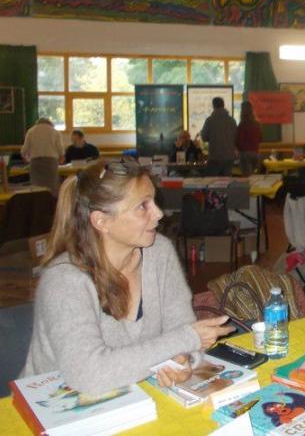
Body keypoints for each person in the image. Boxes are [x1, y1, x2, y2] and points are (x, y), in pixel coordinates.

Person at [21, 160, 233, 396]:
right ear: (101, 221)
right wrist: (186, 340)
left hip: (131, 397)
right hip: (51, 411)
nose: (159, 214)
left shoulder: (159, 251)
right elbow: (88, 374)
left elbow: (180, 327)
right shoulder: (63, 281)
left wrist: (182, 361)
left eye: (153, 201)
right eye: (143, 206)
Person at [21, 117, 64, 195]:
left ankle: (38, 205)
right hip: (51, 162)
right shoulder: (54, 132)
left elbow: (24, 150)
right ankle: (52, 205)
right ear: (50, 123)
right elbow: (60, 149)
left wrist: (26, 158)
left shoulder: (31, 131)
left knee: (36, 187)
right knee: (52, 186)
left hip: (35, 162)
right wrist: (61, 158)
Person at [201, 97, 237, 176]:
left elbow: (204, 137)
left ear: (213, 106)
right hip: (229, 156)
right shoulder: (232, 120)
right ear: (223, 105)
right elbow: (236, 137)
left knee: (212, 181)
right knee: (227, 182)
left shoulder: (210, 120)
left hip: (215, 156)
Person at [236, 101, 262, 176]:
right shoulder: (257, 124)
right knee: (253, 177)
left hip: (245, 154)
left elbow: (239, 141)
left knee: (247, 179)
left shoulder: (242, 124)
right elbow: (260, 138)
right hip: (255, 153)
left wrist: (239, 150)